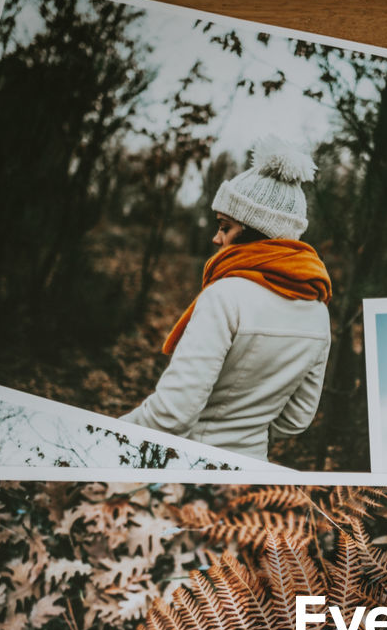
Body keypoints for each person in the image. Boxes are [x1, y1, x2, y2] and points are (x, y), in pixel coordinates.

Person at [121, 135, 332, 461]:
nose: (216, 237)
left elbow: (171, 415)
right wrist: (245, 438)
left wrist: (107, 434)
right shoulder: (318, 310)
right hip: (251, 478)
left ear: (256, 230)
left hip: (191, 470)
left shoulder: (224, 296)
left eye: (225, 226)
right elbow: (297, 419)